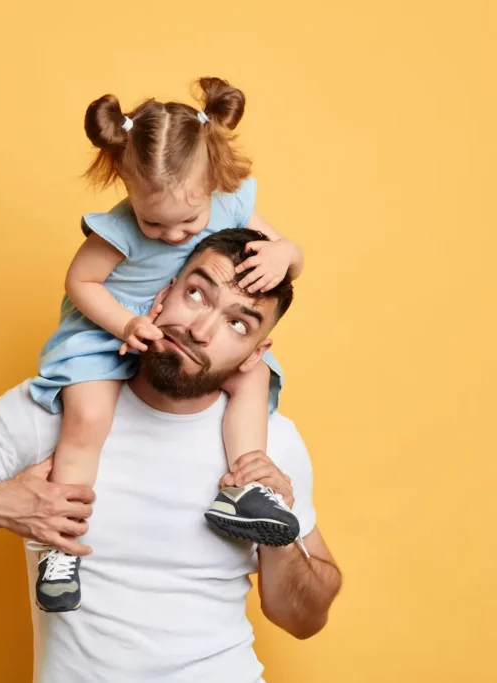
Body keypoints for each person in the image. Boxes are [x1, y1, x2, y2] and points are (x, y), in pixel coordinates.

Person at [0, 229, 342, 683]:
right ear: (164, 292)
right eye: (198, 294)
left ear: (255, 355)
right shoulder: (54, 409)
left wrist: (280, 532)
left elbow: (305, 619)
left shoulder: (270, 444)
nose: (200, 330)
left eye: (237, 324)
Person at [30, 77, 307, 609]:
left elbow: (290, 262)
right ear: (126, 186)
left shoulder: (229, 205)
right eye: (154, 221)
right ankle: (58, 545)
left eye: (189, 222)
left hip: (178, 328)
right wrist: (125, 327)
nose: (175, 236)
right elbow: (80, 284)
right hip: (106, 329)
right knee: (87, 420)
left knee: (255, 374)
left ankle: (246, 487)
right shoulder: (117, 230)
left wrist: (285, 252)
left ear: (213, 184)